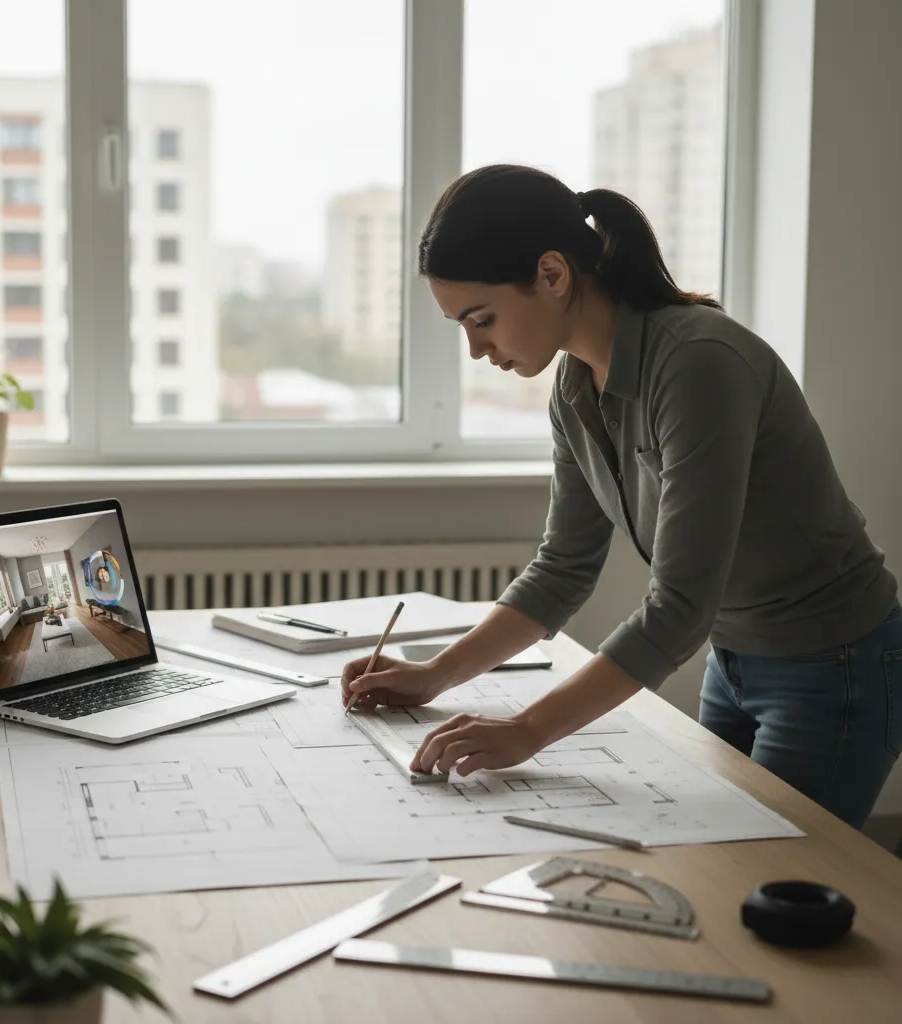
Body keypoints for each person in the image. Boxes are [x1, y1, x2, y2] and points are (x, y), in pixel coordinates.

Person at [341, 164, 902, 829]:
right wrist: (435, 675)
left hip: (836, 666)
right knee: (722, 865)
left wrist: (525, 731)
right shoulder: (574, 384)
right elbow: (562, 568)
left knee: (782, 893)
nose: (474, 348)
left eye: (482, 318)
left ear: (552, 274)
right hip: (735, 659)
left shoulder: (698, 363)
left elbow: (678, 609)